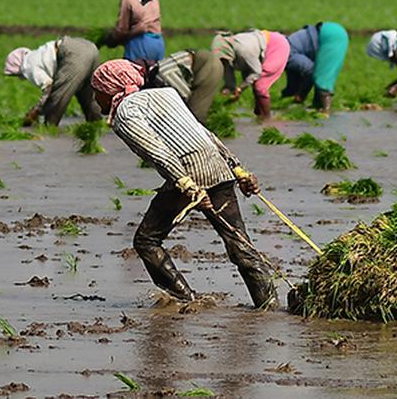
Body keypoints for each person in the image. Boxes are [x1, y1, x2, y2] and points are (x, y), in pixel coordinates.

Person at [91, 60, 277, 308]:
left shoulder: (125, 113)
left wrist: (188, 186)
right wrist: (238, 169)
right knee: (238, 241)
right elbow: (204, 134)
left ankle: (183, 299)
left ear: (110, 88)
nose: (95, 98)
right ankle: (269, 305)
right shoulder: (166, 93)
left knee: (146, 241)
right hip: (216, 165)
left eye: (97, 91)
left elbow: (159, 153)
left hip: (186, 172)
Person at [3, 37, 103, 127]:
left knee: (58, 97)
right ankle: (96, 125)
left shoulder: (27, 66)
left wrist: (37, 110)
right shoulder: (36, 54)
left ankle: (50, 128)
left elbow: (48, 87)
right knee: (87, 94)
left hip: (73, 53)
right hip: (90, 48)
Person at [210, 29, 289, 120]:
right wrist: (229, 89)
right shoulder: (225, 52)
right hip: (257, 48)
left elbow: (256, 72)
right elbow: (228, 73)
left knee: (260, 85)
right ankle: (259, 113)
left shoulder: (243, 50)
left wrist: (240, 89)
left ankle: (267, 119)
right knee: (253, 82)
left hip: (276, 46)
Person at [100, 0, 164, 63]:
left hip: (140, 45)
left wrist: (109, 40)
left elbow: (122, 29)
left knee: (133, 77)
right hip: (158, 44)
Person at [141, 48, 223, 124]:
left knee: (195, 112)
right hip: (202, 57)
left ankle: (197, 136)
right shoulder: (158, 68)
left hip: (209, 65)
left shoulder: (164, 75)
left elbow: (185, 96)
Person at [283, 22, 350, 113]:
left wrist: (300, 96)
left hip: (329, 36)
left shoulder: (287, 55)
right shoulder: (287, 47)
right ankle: (318, 107)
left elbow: (310, 71)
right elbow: (295, 81)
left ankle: (326, 112)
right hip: (333, 32)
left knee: (323, 79)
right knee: (322, 75)